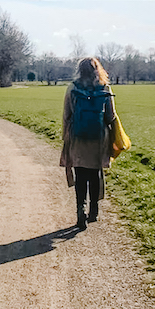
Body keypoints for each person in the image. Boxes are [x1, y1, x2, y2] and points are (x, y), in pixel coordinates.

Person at [60, 57, 117, 230]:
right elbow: (110, 116)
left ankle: (80, 210)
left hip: (78, 138)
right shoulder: (104, 88)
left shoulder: (72, 88)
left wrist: (66, 138)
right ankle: (94, 211)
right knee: (94, 174)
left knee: (80, 176)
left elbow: (66, 115)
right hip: (98, 138)